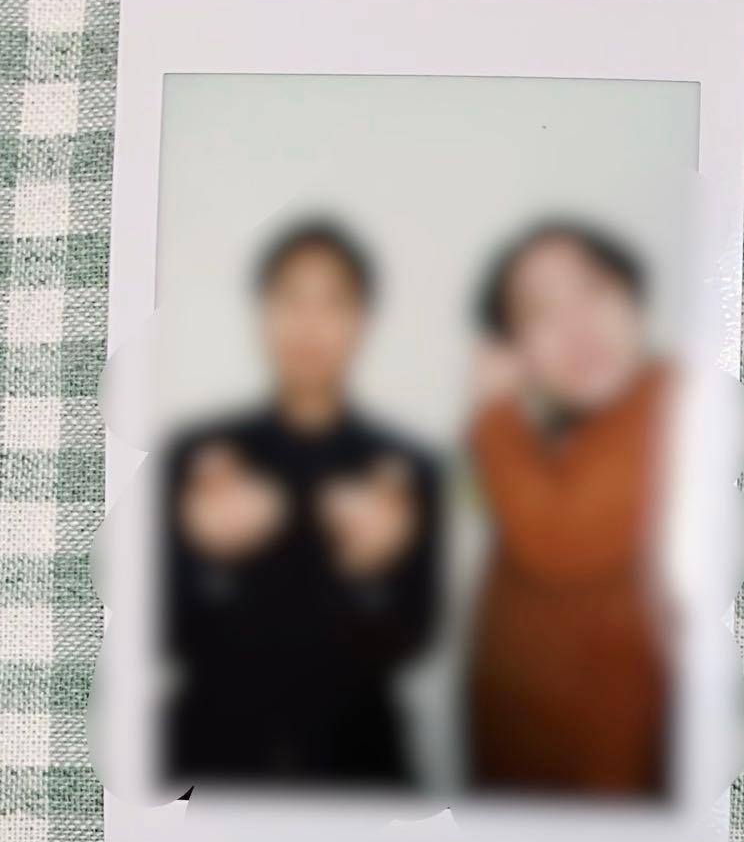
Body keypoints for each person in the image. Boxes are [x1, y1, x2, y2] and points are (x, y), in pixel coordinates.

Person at [163, 222, 439, 787]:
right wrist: (214, 560)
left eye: (333, 301)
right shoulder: (199, 457)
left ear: (362, 320)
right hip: (211, 764)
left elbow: (411, 641)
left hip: (357, 772)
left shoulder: (407, 469)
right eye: (290, 298)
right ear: (262, 313)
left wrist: (368, 571)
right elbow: (166, 634)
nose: (309, 324)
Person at [467, 222, 671, 797]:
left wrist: (491, 414)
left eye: (592, 289)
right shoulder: (568, 434)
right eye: (540, 312)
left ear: (631, 297)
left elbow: (557, 539)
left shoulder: (666, 400)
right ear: (519, 354)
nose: (576, 326)